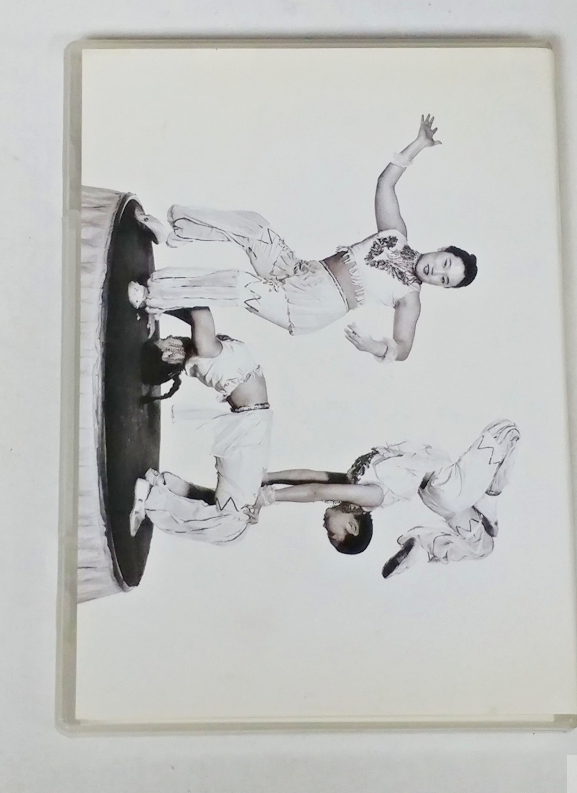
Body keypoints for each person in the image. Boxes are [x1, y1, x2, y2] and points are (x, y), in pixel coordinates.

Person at [127, 116, 478, 362]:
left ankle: (151, 296)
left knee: (239, 285)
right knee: (256, 229)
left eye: (444, 280)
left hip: (311, 305)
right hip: (300, 271)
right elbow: (385, 184)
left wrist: (373, 346)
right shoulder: (396, 235)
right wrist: (419, 144)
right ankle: (175, 234)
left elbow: (403, 348)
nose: (437, 272)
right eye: (445, 263)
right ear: (441, 250)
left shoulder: (410, 298)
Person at [254, 421, 519, 566]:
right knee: (505, 432)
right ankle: (489, 501)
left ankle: (423, 546)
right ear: (352, 527)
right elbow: (316, 490)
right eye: (332, 535)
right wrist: (270, 498)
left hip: (435, 495)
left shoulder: (353, 486)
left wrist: (268, 478)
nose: (325, 529)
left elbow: (312, 476)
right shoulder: (371, 498)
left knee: (483, 547)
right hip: (446, 487)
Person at [129, 308, 272, 546]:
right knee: (233, 527)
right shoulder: (207, 352)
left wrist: (156, 305)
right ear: (170, 355)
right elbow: (198, 312)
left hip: (250, 425)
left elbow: (197, 312)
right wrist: (157, 305)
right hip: (249, 426)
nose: (169, 337)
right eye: (165, 342)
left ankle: (158, 491)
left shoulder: (208, 352)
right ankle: (154, 494)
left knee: (233, 526)